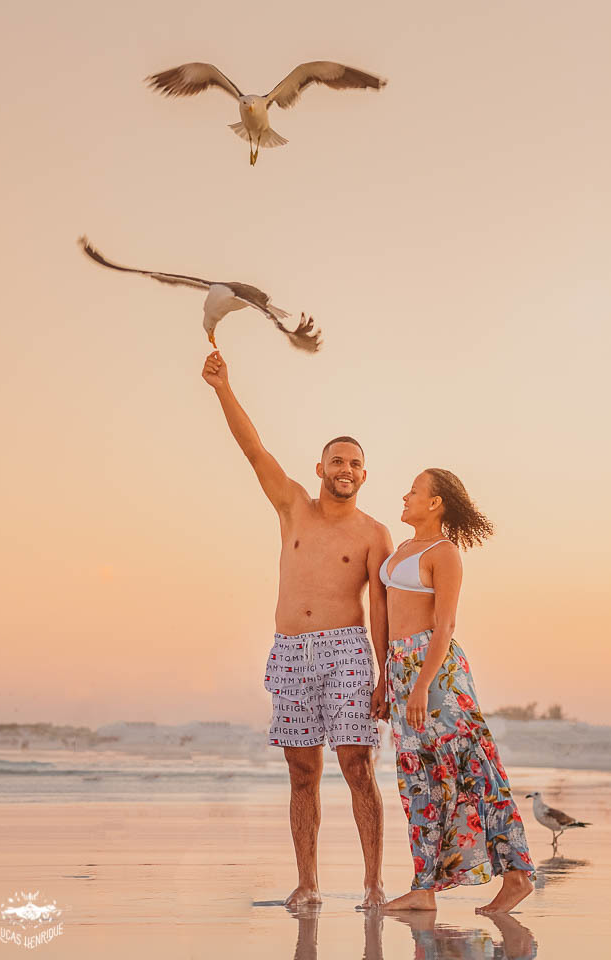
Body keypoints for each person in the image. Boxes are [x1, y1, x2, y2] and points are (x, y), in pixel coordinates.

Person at [202, 350, 393, 907]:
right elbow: (253, 449)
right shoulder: (292, 507)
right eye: (336, 460)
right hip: (290, 653)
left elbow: (380, 610)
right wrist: (222, 387)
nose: (345, 469)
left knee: (358, 766)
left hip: (348, 652)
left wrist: (384, 675)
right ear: (320, 468)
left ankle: (373, 881)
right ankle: (308, 883)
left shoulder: (374, 534)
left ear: (363, 473)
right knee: (301, 772)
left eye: (354, 463)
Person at [381, 468, 535, 913]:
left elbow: (445, 624)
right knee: (419, 779)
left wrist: (422, 685)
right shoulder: (403, 549)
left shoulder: (445, 553)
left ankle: (518, 875)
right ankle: (423, 888)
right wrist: (387, 680)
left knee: (474, 768)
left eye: (414, 491)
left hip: (437, 673)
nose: (405, 496)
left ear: (435, 503)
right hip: (399, 669)